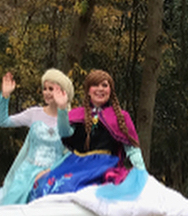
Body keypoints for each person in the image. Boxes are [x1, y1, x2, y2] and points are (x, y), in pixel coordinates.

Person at [28, 69, 146, 201]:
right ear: (88, 90)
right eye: (95, 85)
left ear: (110, 90)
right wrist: (61, 110)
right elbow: (64, 133)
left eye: (104, 85)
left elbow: (132, 149)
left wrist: (141, 171)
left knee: (74, 186)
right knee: (46, 185)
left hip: (105, 166)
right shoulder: (78, 114)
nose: (100, 89)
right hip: (77, 163)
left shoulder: (121, 117)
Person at [0, 69, 73, 206]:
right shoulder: (34, 113)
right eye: (44, 88)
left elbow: (66, 137)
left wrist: (62, 109)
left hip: (52, 175)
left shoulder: (70, 119)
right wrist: (5, 97)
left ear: (63, 92)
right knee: (8, 203)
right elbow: (2, 121)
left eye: (51, 89)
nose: (46, 92)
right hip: (26, 174)